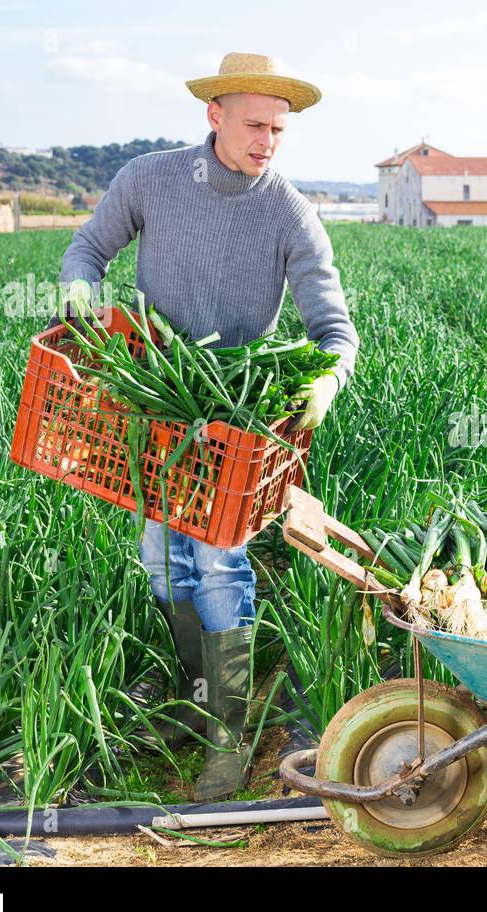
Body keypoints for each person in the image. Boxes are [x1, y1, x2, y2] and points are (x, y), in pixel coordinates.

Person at [56, 52, 359, 800]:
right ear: (214, 114)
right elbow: (89, 248)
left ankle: (230, 730)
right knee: (161, 555)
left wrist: (325, 379)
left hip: (234, 412)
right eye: (255, 123)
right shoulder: (150, 179)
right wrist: (75, 291)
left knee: (220, 559)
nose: (268, 140)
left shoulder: (288, 210)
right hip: (154, 398)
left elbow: (334, 327)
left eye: (279, 128)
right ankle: (196, 698)